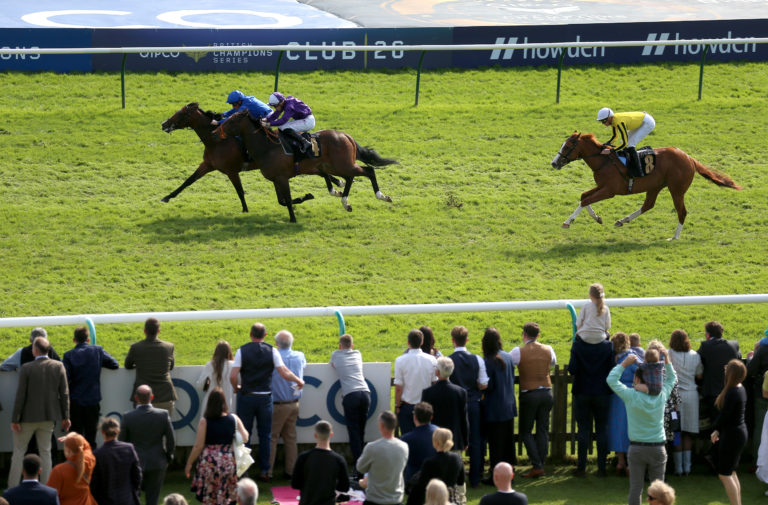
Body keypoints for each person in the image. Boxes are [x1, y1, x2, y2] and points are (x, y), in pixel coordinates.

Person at [230, 322, 304, 482]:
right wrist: (298, 380)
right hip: (265, 398)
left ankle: (244, 471)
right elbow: (283, 372)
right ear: (265, 336)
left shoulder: (241, 351)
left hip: (247, 396)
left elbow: (233, 375)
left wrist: (236, 388)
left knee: (244, 435)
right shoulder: (272, 351)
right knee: (266, 435)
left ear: (250, 335)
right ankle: (265, 470)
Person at [606, 349, 677, 505]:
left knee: (635, 489)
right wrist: (667, 360)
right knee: (659, 491)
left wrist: (624, 364)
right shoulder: (661, 395)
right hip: (658, 447)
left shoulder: (630, 395)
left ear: (637, 379)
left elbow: (611, 380)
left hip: (637, 448)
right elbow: (672, 379)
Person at [8, 336, 71, 488]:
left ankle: (12, 489)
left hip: (26, 418)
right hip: (48, 418)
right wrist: (66, 416)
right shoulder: (58, 366)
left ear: (35, 350)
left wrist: (15, 418)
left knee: (18, 453)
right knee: (46, 453)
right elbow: (64, 394)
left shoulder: (27, 368)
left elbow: (21, 395)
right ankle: (47, 488)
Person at [185, 387, 249, 505]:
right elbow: (245, 437)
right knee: (227, 494)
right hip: (229, 461)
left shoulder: (205, 421)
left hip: (209, 462)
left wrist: (189, 463)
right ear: (224, 402)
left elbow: (198, 446)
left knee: (210, 495)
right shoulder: (234, 418)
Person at [510, 322, 556, 478]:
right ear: (538, 335)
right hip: (547, 392)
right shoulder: (548, 349)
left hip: (529, 394)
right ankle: (540, 464)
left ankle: (537, 465)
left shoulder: (518, 351)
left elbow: (507, 362)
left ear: (524, 335)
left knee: (526, 432)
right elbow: (552, 363)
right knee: (542, 430)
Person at [63, 325, 120, 449]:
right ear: (88, 340)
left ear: (74, 340)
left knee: (75, 438)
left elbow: (65, 379)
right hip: (92, 400)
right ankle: (91, 465)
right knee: (91, 437)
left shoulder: (68, 355)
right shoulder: (97, 351)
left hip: (75, 400)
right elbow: (114, 364)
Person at [568, 324, 613, 477]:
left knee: (583, 429)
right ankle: (602, 468)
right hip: (602, 391)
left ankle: (581, 467)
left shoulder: (577, 345)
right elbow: (612, 368)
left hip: (582, 391)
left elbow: (572, 368)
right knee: (602, 429)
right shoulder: (608, 346)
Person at [120, 384, 176, 505]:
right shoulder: (163, 415)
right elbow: (171, 440)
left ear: (136, 398)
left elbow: (122, 442)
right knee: (153, 498)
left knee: (134, 497)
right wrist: (168, 457)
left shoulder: (128, 417)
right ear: (152, 397)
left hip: (135, 462)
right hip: (157, 461)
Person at [447, 325, 488, 487]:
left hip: (455, 406)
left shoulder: (449, 360)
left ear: (453, 341)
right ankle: (475, 478)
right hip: (473, 403)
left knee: (453, 441)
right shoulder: (477, 359)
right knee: (475, 441)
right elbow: (484, 384)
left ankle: (455, 477)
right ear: (467, 340)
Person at [329, 333, 371, 473]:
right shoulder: (357, 354)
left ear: (340, 346)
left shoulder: (336, 354)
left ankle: (359, 468)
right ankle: (363, 466)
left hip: (350, 395)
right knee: (361, 432)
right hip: (365, 393)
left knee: (354, 433)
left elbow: (333, 365)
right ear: (352, 346)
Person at [269, 330, 307, 479]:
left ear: (277, 344)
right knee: (290, 438)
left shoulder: (273, 357)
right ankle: (291, 471)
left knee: (272, 437)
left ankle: (268, 472)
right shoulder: (300, 356)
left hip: (278, 404)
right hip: (294, 403)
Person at [481, 327, 517, 482]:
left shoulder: (489, 361)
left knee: (496, 445)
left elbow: (489, 385)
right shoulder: (507, 357)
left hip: (494, 408)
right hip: (508, 406)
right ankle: (510, 473)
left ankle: (496, 476)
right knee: (508, 444)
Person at [711, 359, 748, 505]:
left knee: (724, 474)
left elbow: (724, 416)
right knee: (731, 471)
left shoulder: (733, 391)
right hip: (738, 433)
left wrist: (715, 429)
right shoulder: (739, 388)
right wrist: (718, 430)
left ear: (731, 373)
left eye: (728, 368)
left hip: (733, 436)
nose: (725, 369)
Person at [667, 330, 702, 475]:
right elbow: (699, 375)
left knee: (677, 432)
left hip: (675, 396)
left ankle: (678, 468)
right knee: (688, 432)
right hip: (692, 396)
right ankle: (687, 467)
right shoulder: (695, 355)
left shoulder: (669, 354)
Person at [124, 318, 177, 414]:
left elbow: (127, 365)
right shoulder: (169, 347)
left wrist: (137, 365)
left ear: (145, 331)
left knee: (141, 428)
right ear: (159, 331)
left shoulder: (135, 347)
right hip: (165, 395)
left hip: (142, 397)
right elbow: (171, 366)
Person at [356, 411, 409, 505]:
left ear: (381, 425)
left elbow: (360, 468)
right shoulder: (404, 446)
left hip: (374, 500)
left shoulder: (372, 447)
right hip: (395, 499)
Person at [291, 420, 349, 505]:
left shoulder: (303, 457)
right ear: (331, 435)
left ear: (315, 435)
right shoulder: (338, 460)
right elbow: (344, 486)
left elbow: (295, 483)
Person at [697, 321, 740, 432]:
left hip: (714, 394)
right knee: (730, 425)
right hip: (733, 392)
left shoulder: (705, 346)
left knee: (716, 427)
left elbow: (696, 362)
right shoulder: (734, 345)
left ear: (707, 335)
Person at [421, 357, 468, 457]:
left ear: (437, 372)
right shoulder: (460, 392)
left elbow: (424, 419)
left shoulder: (428, 393)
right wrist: (465, 440)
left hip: (434, 441)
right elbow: (464, 418)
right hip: (453, 440)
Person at [394, 329, 437, 435]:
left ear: (408, 342)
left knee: (407, 439)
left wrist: (397, 405)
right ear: (422, 342)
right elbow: (434, 384)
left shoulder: (400, 360)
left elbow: (398, 388)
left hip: (407, 407)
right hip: (425, 406)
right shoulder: (432, 360)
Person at [607, 332, 639, 477]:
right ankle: (631, 464)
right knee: (631, 427)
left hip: (616, 395)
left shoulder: (613, 359)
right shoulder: (632, 357)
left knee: (618, 427)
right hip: (631, 394)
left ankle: (620, 462)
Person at [90, 417, 143, 505]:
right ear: (118, 431)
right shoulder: (129, 448)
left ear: (102, 432)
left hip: (106, 500)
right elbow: (137, 475)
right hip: (127, 499)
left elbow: (95, 483)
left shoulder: (98, 454)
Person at [406, 428, 465, 505]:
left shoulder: (430, 462)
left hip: (433, 499)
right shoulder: (457, 459)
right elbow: (461, 481)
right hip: (451, 499)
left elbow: (421, 486)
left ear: (435, 442)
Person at [596, 107, 656, 177]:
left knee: (630, 144)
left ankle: (639, 172)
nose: (603, 123)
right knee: (623, 142)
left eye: (604, 120)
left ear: (610, 117)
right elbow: (615, 137)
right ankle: (630, 165)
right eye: (602, 121)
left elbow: (625, 143)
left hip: (647, 123)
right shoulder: (613, 121)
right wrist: (605, 144)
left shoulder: (619, 122)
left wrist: (611, 150)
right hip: (641, 120)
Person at [46, 432, 97, 505]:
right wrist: (74, 438)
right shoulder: (90, 460)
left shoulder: (59, 470)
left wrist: (70, 437)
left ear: (68, 450)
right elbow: (87, 446)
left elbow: (50, 496)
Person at [400, 401, 437, 483]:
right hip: (436, 478)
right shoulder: (439, 432)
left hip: (414, 481)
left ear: (415, 417)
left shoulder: (406, 439)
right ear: (431, 417)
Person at [196, 341, 235, 413]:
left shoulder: (210, 365)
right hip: (227, 404)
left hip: (210, 403)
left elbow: (199, 385)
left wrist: (207, 384)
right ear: (229, 352)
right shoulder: (233, 365)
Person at [747, 334, 768, 466]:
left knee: (760, 428)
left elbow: (750, 370)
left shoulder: (763, 348)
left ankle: (757, 462)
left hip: (763, 394)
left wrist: (751, 357)